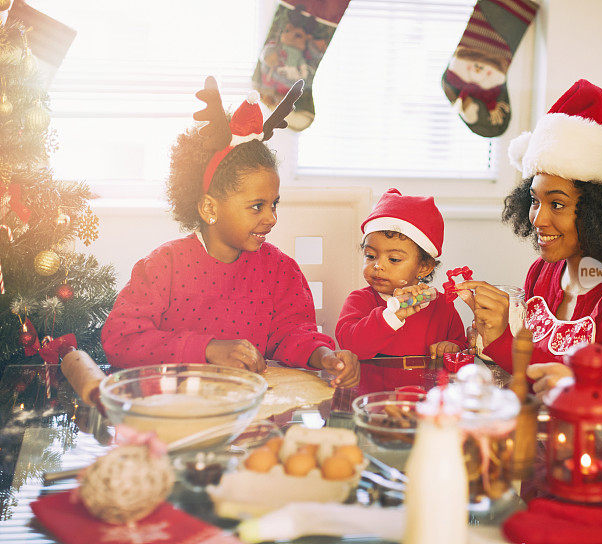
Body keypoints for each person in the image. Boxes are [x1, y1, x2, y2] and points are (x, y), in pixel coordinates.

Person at [101, 78, 359, 388]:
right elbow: (122, 340)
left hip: (253, 420)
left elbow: (293, 334)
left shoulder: (281, 270)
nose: (271, 218)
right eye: (256, 206)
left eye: (274, 205)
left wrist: (324, 356)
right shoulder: (163, 266)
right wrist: (207, 349)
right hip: (178, 415)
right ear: (210, 208)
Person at [458, 79, 602, 408]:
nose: (538, 219)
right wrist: (495, 335)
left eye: (557, 204)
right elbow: (530, 379)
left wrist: (509, 342)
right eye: (533, 200)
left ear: (601, 209)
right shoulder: (542, 272)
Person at [335, 188, 467, 359]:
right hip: (377, 386)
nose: (378, 265)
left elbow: (461, 345)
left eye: (394, 259)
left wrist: (451, 347)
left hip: (426, 387)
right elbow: (352, 348)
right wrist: (392, 315)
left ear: (424, 267)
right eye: (370, 256)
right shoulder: (359, 301)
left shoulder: (443, 308)